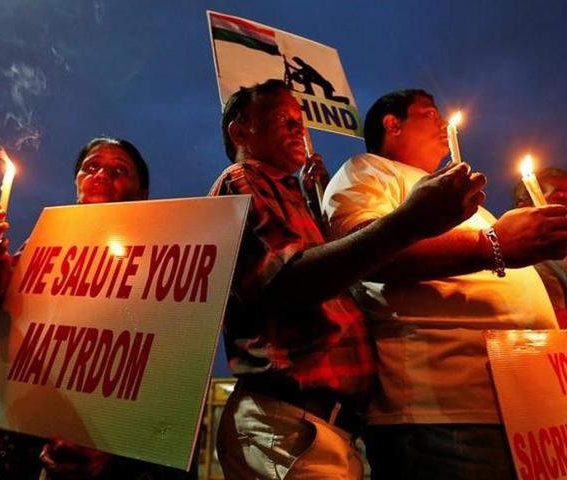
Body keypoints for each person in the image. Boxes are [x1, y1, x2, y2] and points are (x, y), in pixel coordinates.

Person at [208, 79, 486, 480]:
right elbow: (286, 282)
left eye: (300, 122)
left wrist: (313, 202)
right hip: (289, 423)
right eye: (283, 119)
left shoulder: (291, 194)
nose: (299, 130)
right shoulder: (243, 178)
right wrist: (408, 222)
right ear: (240, 131)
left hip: (325, 426)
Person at [322, 89, 567, 480]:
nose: (441, 123)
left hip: (525, 406)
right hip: (449, 412)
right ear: (392, 123)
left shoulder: (460, 201)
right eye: (429, 113)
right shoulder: (368, 171)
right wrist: (494, 245)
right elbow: (364, 250)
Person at [0, 137, 193, 479]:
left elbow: (166, 382)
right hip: (12, 442)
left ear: (141, 192)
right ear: (77, 182)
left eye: (119, 170)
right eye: (92, 166)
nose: (102, 174)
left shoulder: (161, 267)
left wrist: (113, 458)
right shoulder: (39, 251)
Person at [513, 167, 567, 327]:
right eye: (557, 194)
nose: (564, 196)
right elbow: (555, 319)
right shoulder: (531, 263)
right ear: (525, 207)